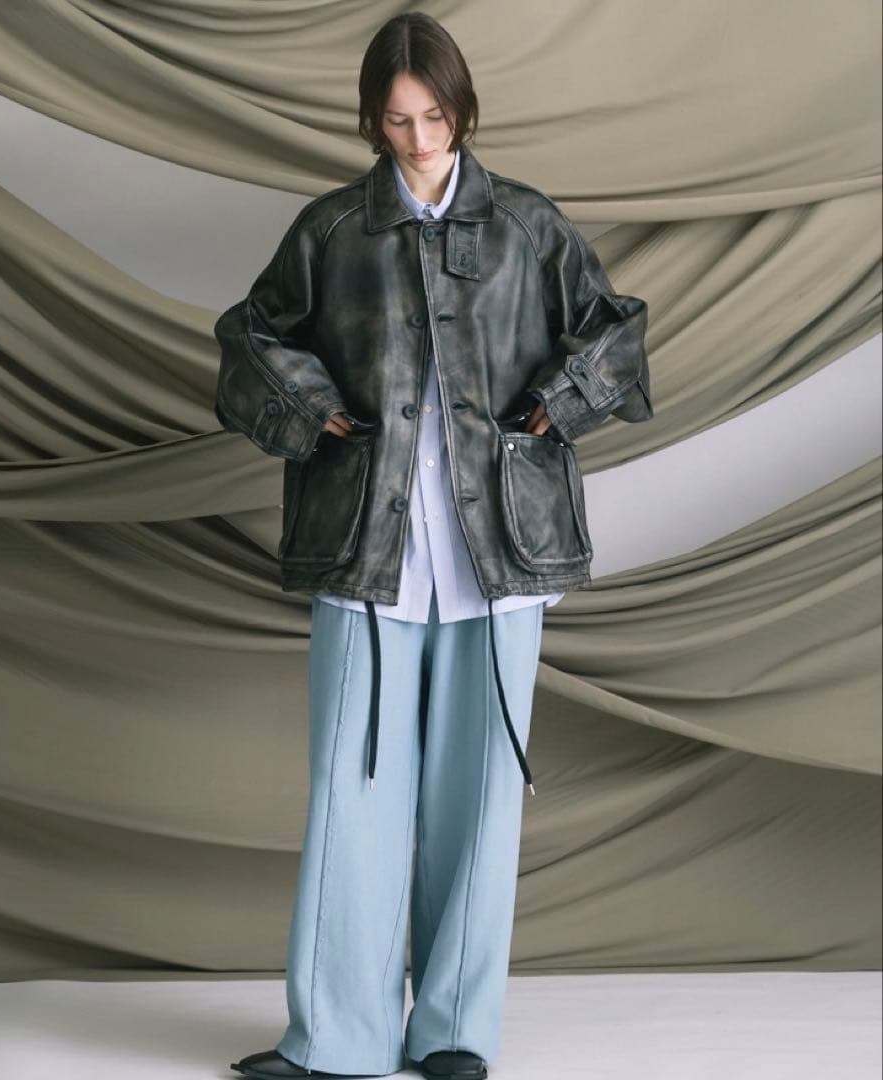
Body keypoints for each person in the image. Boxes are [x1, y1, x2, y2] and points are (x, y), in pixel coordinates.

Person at [220, 13, 652, 1080]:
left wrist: (556, 404)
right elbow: (250, 338)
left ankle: (454, 1030)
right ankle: (339, 1040)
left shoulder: (528, 226)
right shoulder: (333, 230)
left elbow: (616, 331)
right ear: (372, 119)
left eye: (435, 116)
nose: (419, 139)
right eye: (397, 119)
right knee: (351, 796)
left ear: (462, 110)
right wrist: (312, 408)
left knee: (478, 798)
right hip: (365, 546)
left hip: (498, 552)